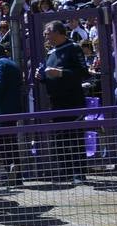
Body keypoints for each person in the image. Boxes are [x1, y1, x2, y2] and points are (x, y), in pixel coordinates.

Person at [39, 20, 90, 184]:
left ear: (58, 32)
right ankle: (65, 172)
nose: (46, 36)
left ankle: (79, 174)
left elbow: (83, 73)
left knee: (75, 137)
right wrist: (42, 78)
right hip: (55, 101)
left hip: (73, 101)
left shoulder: (73, 48)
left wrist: (61, 73)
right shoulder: (51, 52)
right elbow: (50, 77)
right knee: (59, 138)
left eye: (48, 32)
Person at [0, 43, 28, 185]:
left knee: (3, 144)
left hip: (2, 111)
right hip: (14, 108)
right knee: (11, 142)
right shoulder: (12, 63)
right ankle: (17, 176)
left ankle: (10, 177)